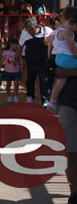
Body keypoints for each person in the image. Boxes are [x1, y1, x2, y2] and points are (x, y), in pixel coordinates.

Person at [47, 7, 77, 114]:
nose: (74, 27)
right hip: (67, 58)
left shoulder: (58, 32)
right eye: (72, 24)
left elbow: (49, 42)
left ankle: (53, 101)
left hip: (60, 58)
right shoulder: (67, 33)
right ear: (64, 20)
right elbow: (72, 48)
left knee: (60, 82)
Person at [55, 62, 77, 204]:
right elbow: (55, 70)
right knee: (71, 152)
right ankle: (74, 193)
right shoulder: (65, 43)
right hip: (69, 104)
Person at [19, 16, 54, 104]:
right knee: (30, 79)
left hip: (44, 62)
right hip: (30, 61)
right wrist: (17, 58)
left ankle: (45, 99)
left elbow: (54, 41)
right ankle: (29, 96)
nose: (29, 32)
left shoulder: (48, 31)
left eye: (31, 30)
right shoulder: (25, 33)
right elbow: (20, 46)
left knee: (44, 80)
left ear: (36, 27)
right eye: (27, 30)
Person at [0, 38, 21, 102]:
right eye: (15, 44)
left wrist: (21, 67)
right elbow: (2, 60)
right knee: (8, 84)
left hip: (16, 71)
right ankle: (8, 96)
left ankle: (15, 96)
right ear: (11, 44)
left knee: (16, 84)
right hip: (8, 71)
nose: (16, 46)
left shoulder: (17, 53)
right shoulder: (5, 52)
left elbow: (20, 60)